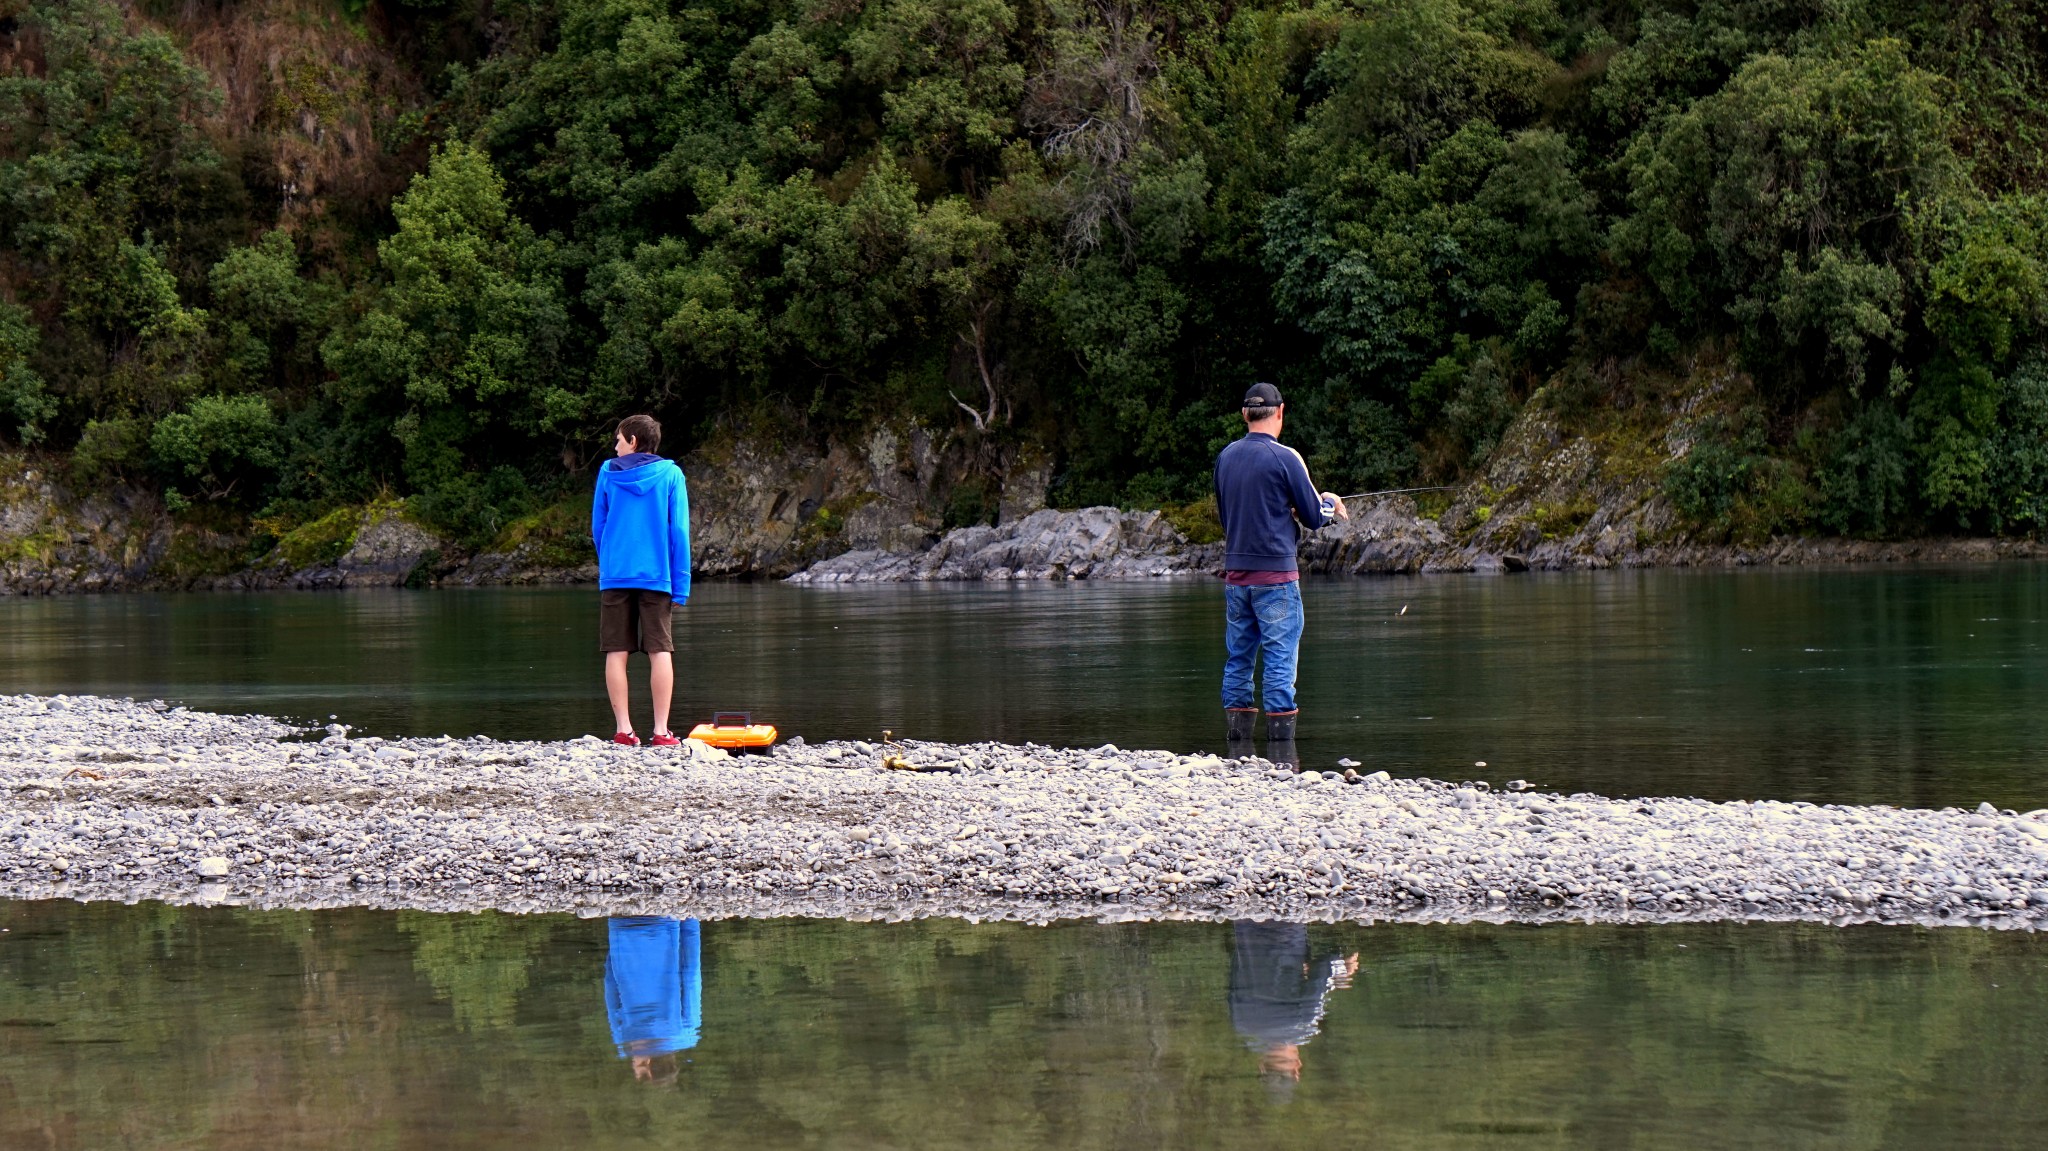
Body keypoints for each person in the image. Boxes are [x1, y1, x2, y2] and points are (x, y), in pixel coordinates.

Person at [1212, 382, 1347, 744]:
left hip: (1237, 578)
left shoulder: (1224, 457)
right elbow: (1314, 516)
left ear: (1245, 414)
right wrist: (1330, 502)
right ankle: (1281, 753)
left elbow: (1229, 516)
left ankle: (1237, 746)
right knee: (1279, 658)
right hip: (1276, 580)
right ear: (1281, 412)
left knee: (1238, 658)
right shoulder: (1287, 457)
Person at [592, 414, 691, 746]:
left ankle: (624, 729)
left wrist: (609, 560)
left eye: (618, 439)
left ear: (633, 440)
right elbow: (678, 531)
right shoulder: (671, 475)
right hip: (657, 575)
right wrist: (682, 581)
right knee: (660, 650)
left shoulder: (607, 473)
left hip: (616, 574)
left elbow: (598, 527)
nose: (615, 446)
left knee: (616, 651)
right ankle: (661, 731)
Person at [1227, 920, 1360, 1102]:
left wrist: (1342, 969)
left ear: (1296, 1068)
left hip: (1287, 924)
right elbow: (1235, 966)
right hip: (1244, 922)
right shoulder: (1241, 1023)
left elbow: (1324, 967)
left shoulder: (1303, 1024)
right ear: (1262, 1066)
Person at [605, 916, 703, 1085]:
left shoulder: (686, 1035)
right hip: (621, 926)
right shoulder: (622, 1039)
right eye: (635, 1064)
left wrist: (691, 918)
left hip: (665, 922)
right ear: (647, 1064)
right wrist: (614, 944)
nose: (633, 1060)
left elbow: (691, 974)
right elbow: (610, 983)